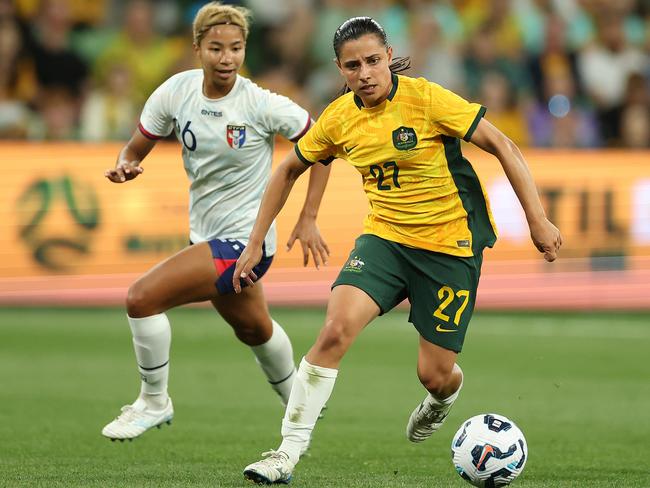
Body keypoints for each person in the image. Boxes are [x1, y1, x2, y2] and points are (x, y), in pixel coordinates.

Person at [234, 16, 562, 484]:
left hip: (450, 249)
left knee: (434, 373)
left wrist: (537, 218)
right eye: (353, 65)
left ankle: (443, 397)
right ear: (340, 70)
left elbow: (503, 145)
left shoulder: (427, 99)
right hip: (384, 241)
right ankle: (286, 454)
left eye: (372, 60)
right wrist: (255, 244)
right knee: (333, 332)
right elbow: (288, 169)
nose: (364, 72)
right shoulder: (339, 118)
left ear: (389, 56)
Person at [101, 2, 331, 442]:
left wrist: (309, 215)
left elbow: (321, 143)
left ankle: (154, 401)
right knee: (254, 328)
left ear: (245, 50)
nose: (227, 59)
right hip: (205, 236)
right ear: (198, 48)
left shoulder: (260, 103)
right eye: (216, 49)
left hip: (246, 245)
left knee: (141, 299)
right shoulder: (175, 92)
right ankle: (302, 406)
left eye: (236, 49)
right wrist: (125, 164)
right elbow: (135, 148)